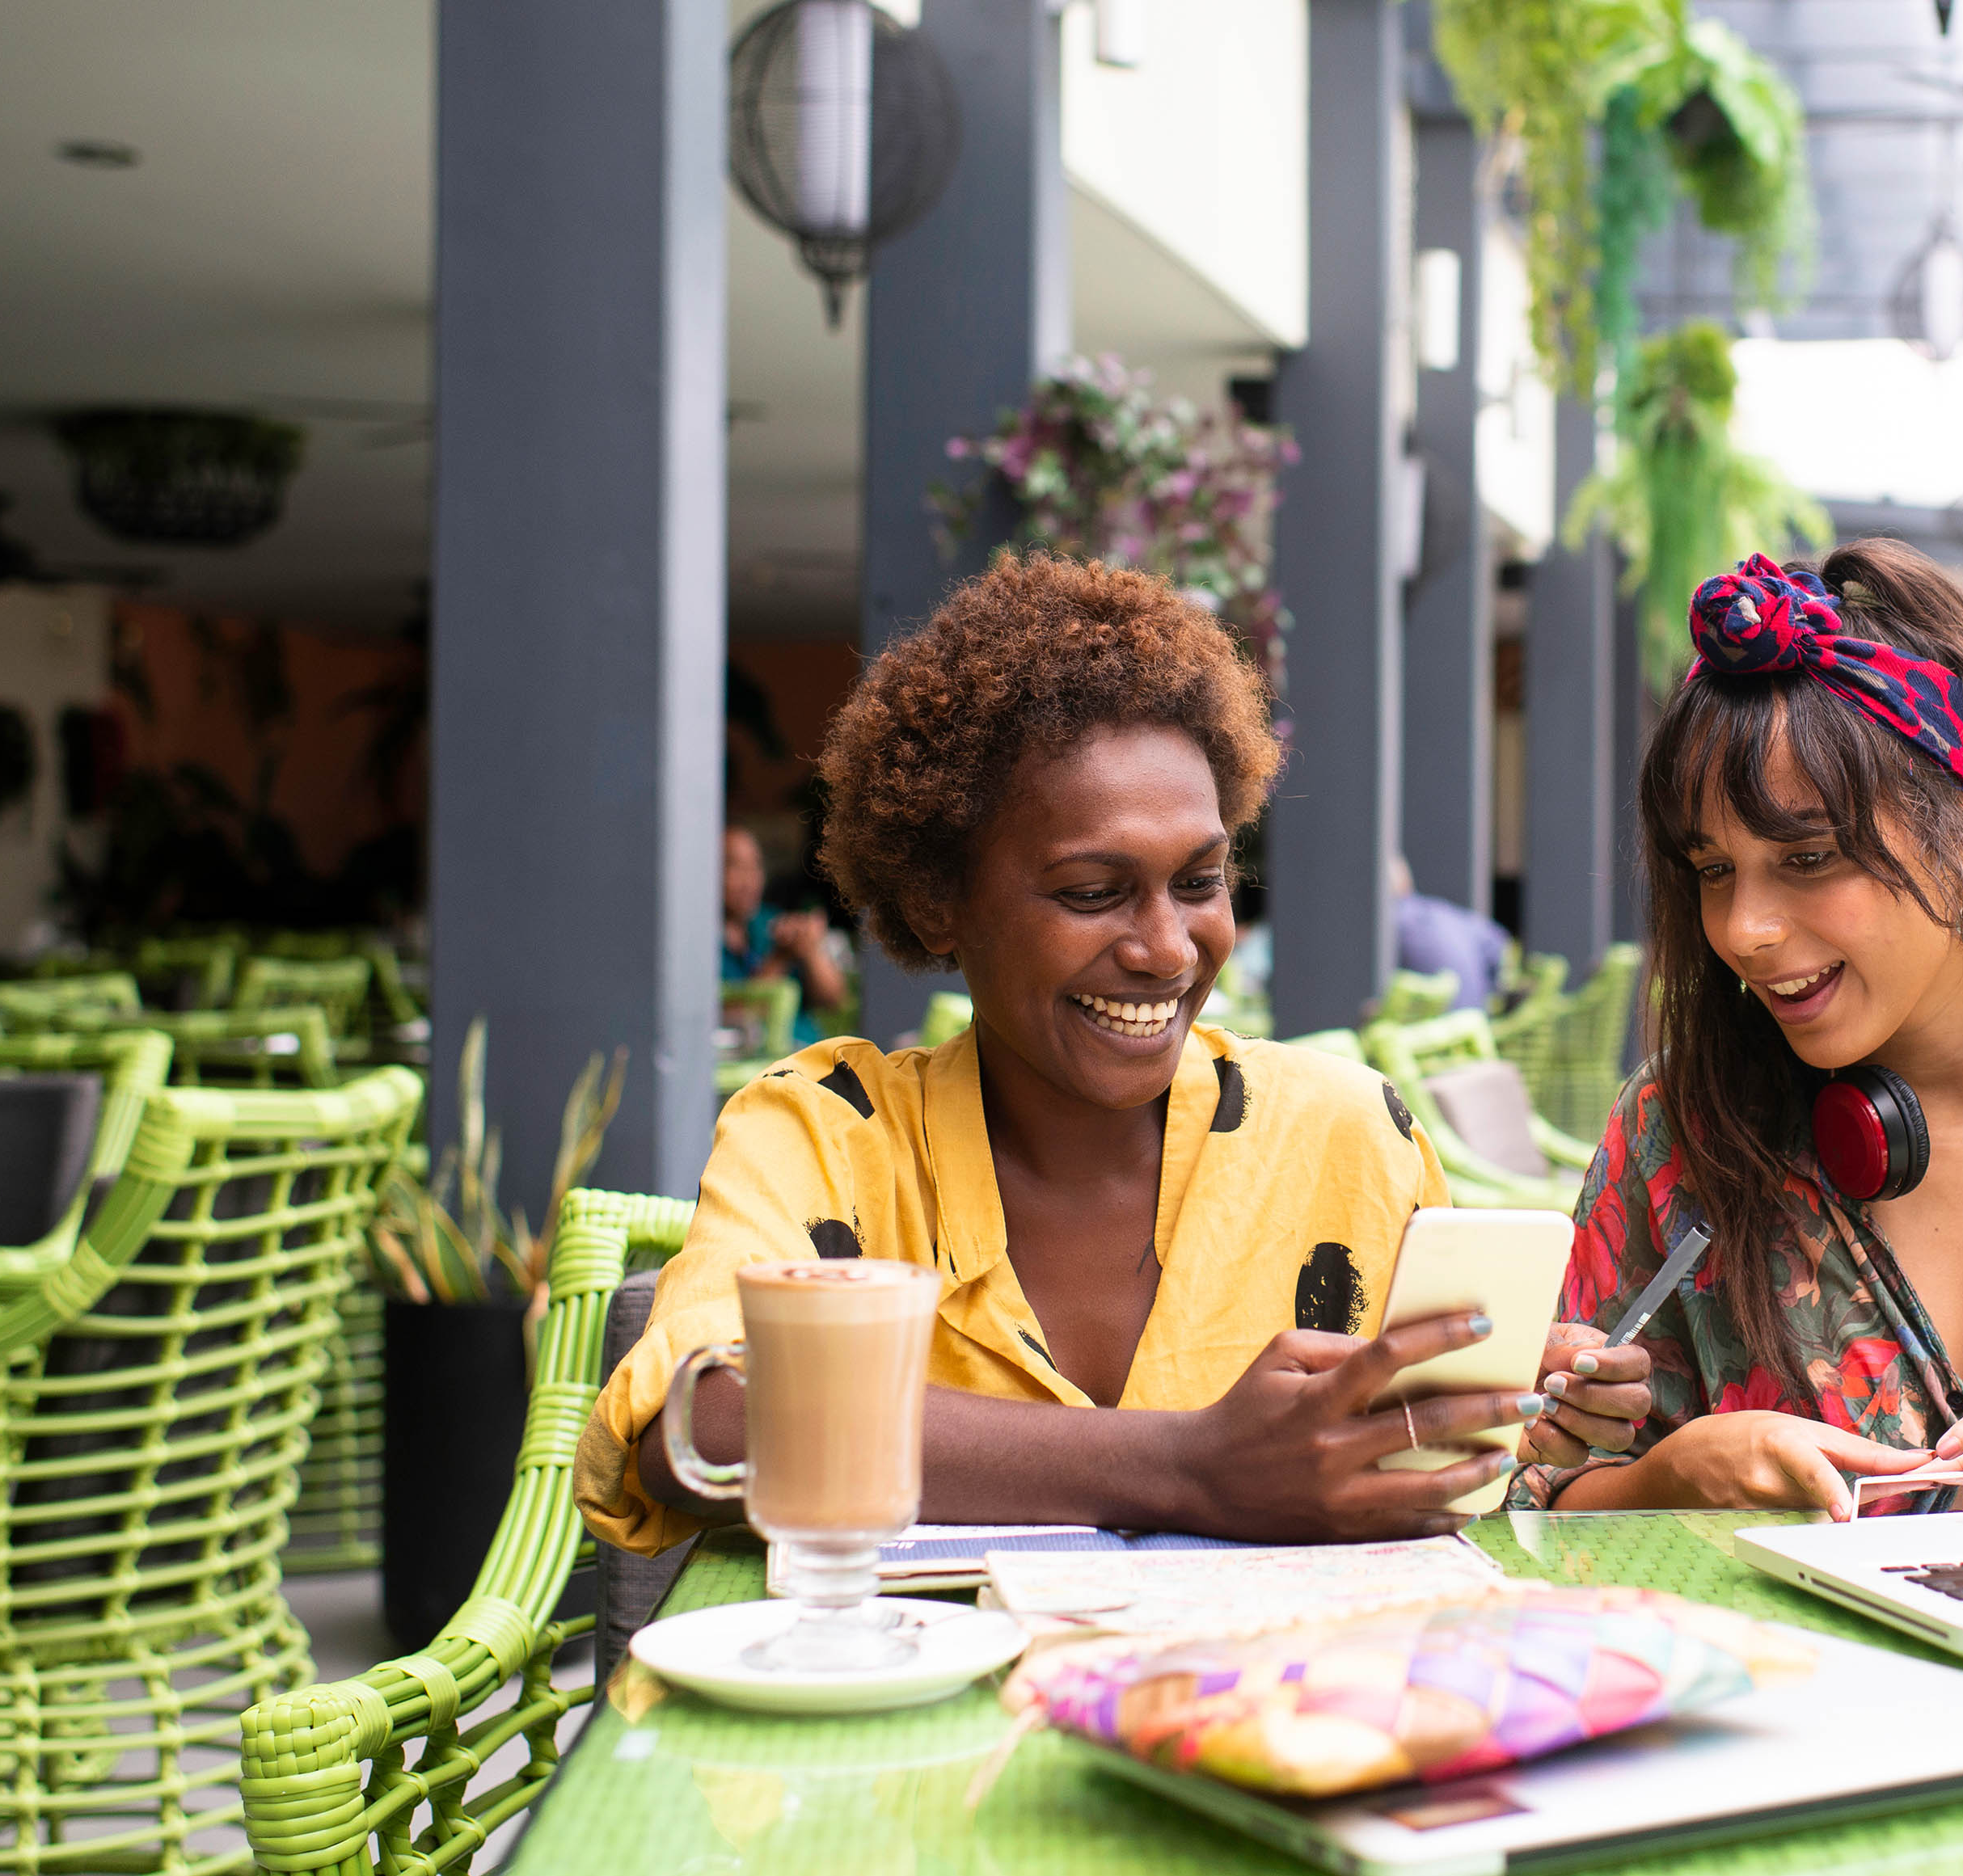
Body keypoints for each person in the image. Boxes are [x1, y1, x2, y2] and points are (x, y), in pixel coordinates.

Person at [577, 555, 1653, 1558]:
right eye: (1093, 893)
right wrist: (1188, 1467)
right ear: (935, 902)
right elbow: (705, 1424)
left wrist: (1520, 1415)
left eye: (1200, 881)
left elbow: (1431, 1477)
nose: (1167, 949)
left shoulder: (1343, 1138)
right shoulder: (832, 1134)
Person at [1512, 543, 1963, 1517]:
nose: (1745, 929)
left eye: (1810, 857)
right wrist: (1670, 1475)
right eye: (1712, 870)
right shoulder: (1678, 1129)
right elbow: (1534, 1510)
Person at [721, 825, 851, 1043]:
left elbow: (834, 999)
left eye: (756, 866)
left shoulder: (769, 922)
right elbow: (730, 1016)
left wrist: (811, 951)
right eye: (735, 866)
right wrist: (780, 959)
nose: (749, 880)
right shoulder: (697, 938)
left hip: (806, 1052)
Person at [1390, 856, 1513, 1012]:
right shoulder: (1447, 915)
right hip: (1473, 1025)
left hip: (1428, 1030)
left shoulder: (1393, 919)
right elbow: (1500, 946)